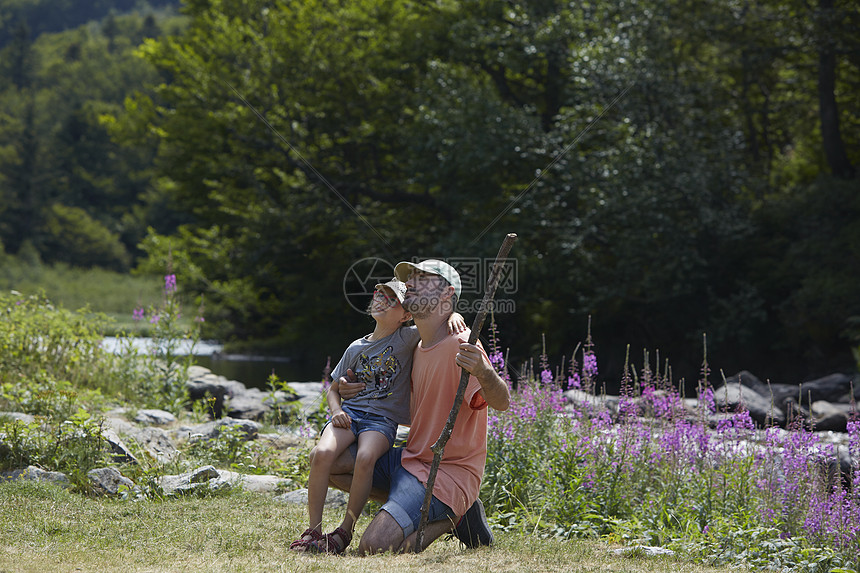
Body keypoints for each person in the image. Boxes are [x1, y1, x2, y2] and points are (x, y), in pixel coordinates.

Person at [331, 259, 511, 554]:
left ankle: (455, 514)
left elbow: (502, 402)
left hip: (449, 470)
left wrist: (485, 371)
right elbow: (390, 397)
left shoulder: (462, 344)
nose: (410, 283)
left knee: (373, 548)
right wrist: (353, 390)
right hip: (410, 460)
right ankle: (411, 505)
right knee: (331, 463)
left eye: (422, 278)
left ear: (446, 293)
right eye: (409, 278)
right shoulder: (410, 344)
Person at [290, 279, 466, 554]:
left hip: (380, 421)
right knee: (321, 454)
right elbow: (334, 389)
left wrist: (455, 313)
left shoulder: (408, 337)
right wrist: (336, 411)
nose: (382, 301)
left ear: (405, 315)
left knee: (365, 458)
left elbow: (436, 321)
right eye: (378, 295)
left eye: (391, 299)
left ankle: (344, 531)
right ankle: (313, 530)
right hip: (350, 414)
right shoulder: (354, 348)